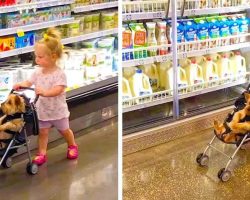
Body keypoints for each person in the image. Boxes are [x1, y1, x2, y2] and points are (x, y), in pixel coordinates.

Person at [13, 28, 78, 166]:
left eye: (40, 57)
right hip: (42, 110)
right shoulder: (37, 72)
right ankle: (41, 153)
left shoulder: (59, 74)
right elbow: (28, 82)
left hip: (58, 111)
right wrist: (20, 85)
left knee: (64, 130)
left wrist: (45, 92)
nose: (37, 60)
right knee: (43, 133)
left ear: (53, 56)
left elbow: (59, 90)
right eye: (36, 56)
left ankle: (72, 145)